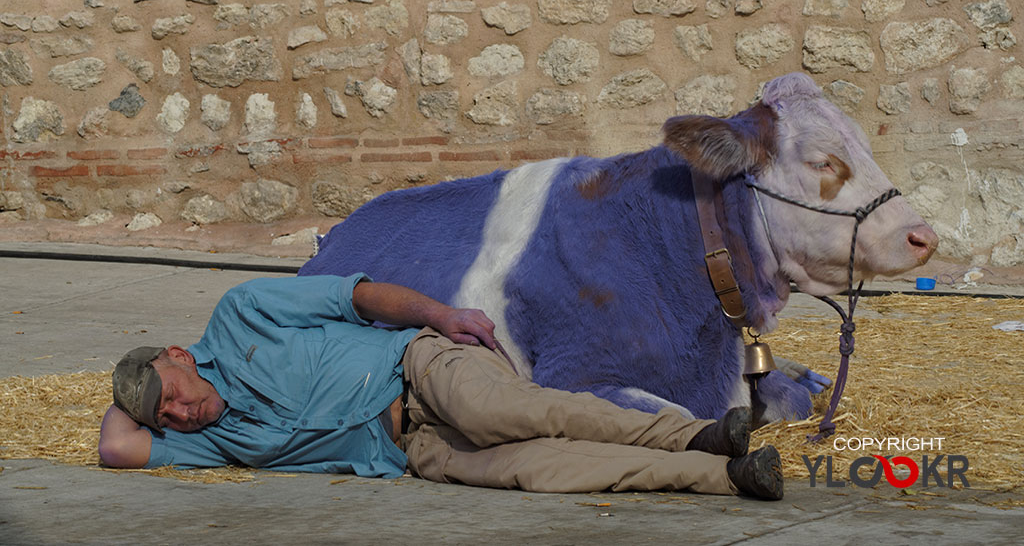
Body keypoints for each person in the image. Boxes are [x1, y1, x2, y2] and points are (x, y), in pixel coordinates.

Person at [99, 274, 783, 499]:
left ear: (180, 353)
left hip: (419, 368)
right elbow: (116, 449)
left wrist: (441, 314)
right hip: (411, 450)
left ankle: (695, 429)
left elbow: (359, 296)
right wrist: (135, 394)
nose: (183, 411)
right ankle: (727, 473)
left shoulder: (242, 310)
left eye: (173, 391)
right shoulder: (213, 441)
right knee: (543, 468)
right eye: (169, 416)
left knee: (506, 410)